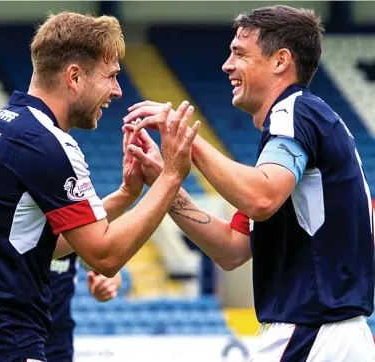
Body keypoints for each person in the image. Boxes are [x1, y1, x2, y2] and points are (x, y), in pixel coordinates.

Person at [0, 11, 200, 362]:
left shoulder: (0, 123)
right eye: (110, 76)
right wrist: (171, 176)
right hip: (2, 340)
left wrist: (126, 195)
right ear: (75, 76)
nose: (117, 90)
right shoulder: (46, 143)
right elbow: (105, 256)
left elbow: (34, 243)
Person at [123, 5, 375, 361]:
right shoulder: (298, 132)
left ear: (280, 61)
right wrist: (165, 185)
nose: (227, 65)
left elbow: (261, 197)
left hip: (312, 331)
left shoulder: (294, 112)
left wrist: (186, 136)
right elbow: (232, 248)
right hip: (330, 333)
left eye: (239, 53)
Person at [0, 231, 122, 361]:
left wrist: (109, 284)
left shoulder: (71, 217)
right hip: (5, 340)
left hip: (56, 343)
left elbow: (108, 266)